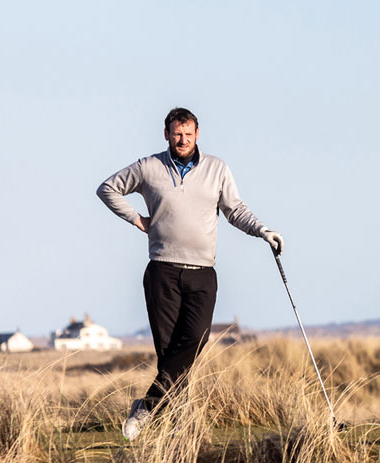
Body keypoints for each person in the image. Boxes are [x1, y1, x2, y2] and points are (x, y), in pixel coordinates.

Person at [97, 107, 283, 440]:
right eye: (176, 134)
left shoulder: (216, 169)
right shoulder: (149, 167)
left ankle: (146, 407)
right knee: (169, 355)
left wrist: (263, 231)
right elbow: (108, 188)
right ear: (166, 134)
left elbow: (235, 210)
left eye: (188, 134)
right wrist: (138, 219)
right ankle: (179, 429)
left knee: (193, 344)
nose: (182, 140)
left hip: (202, 274)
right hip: (162, 272)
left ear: (198, 134)